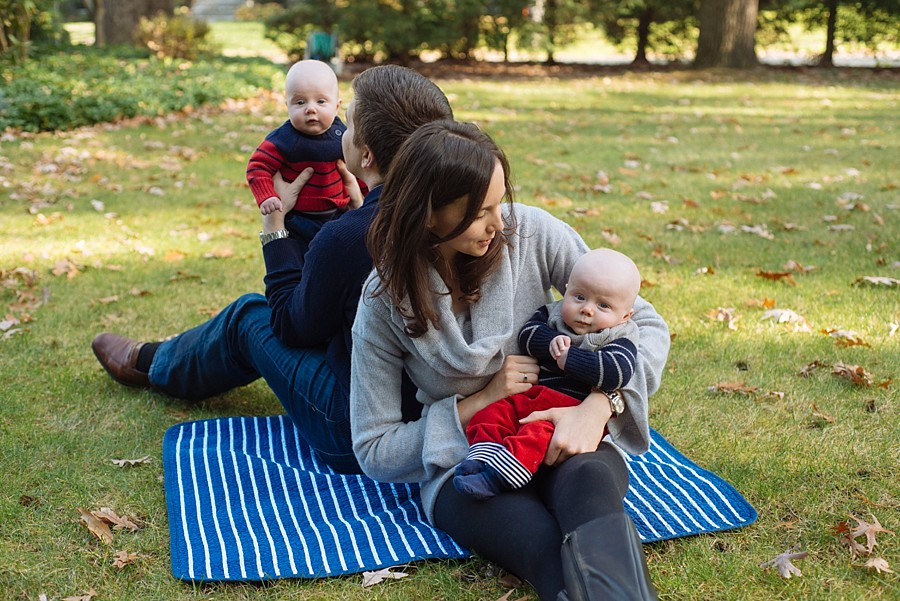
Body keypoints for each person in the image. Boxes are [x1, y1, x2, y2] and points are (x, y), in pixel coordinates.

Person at [351, 120, 668, 600]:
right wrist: (483, 399)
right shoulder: (382, 302)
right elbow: (374, 448)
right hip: (470, 463)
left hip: (563, 432)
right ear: (429, 213)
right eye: (480, 212)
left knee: (588, 489)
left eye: (499, 202)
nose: (499, 223)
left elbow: (644, 325)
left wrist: (600, 406)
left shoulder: (532, 234)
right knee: (539, 541)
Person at [91, 65, 453, 474]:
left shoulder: (350, 238)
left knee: (250, 317)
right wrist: (359, 204)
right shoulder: (465, 214)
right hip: (443, 417)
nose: (340, 132)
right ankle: (157, 359)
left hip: (357, 432)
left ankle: (150, 363)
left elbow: (291, 327)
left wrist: (275, 226)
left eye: (347, 124)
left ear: (366, 154)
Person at [454, 248, 642, 500]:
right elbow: (527, 335)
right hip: (531, 396)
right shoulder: (553, 315)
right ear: (566, 289)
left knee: (534, 435)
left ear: (625, 316)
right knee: (491, 415)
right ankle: (481, 458)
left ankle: (499, 477)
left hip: (572, 410)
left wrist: (571, 359)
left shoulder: (619, 336)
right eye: (579, 296)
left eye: (603, 305)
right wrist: (552, 342)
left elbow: (616, 372)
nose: (587, 309)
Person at [246, 59, 363, 258]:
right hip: (298, 219)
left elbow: (356, 169)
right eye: (300, 102)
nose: (310, 109)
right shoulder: (284, 139)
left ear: (337, 106)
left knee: (338, 260)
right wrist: (267, 196)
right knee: (300, 263)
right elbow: (258, 166)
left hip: (338, 214)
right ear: (287, 106)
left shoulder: (342, 135)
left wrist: (364, 199)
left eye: (321, 101)